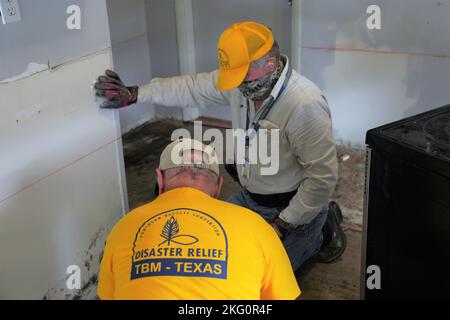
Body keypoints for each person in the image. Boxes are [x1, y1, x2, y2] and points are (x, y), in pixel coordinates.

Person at [95, 21, 346, 272]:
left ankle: (321, 230)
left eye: (242, 75)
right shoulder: (244, 85)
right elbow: (192, 88)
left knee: (264, 275)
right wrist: (136, 93)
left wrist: (282, 225)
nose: (237, 84)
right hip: (252, 198)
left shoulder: (304, 104)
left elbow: (322, 177)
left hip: (289, 208)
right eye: (233, 75)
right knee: (207, 255)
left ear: (270, 64)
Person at [97, 138, 301, 300]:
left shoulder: (125, 226)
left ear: (160, 178)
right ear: (219, 186)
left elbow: (108, 295)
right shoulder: (256, 226)